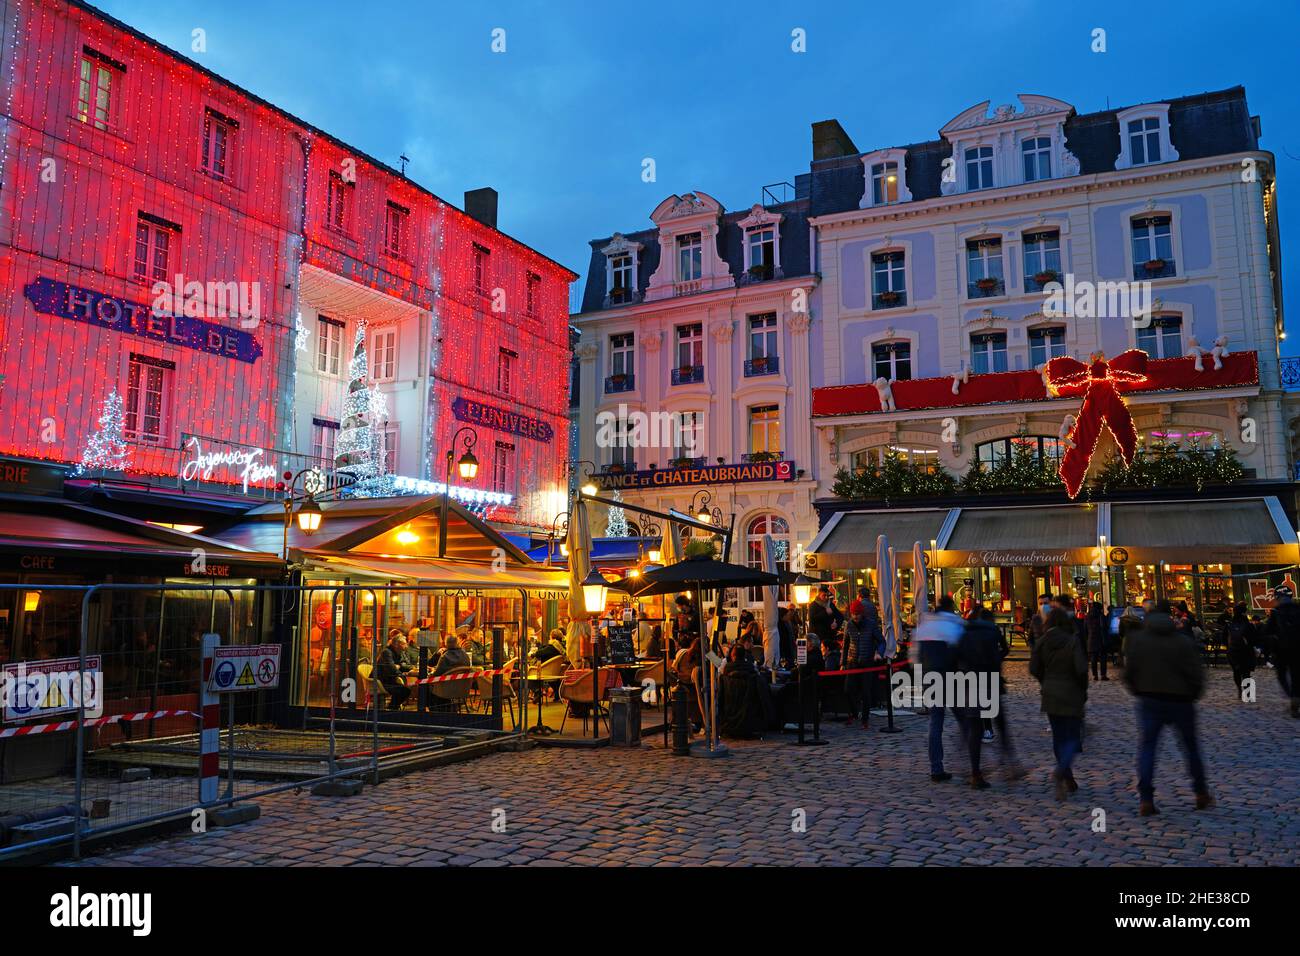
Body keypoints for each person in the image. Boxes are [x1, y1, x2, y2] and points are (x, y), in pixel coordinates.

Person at [1123, 599, 1213, 815]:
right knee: (1190, 748)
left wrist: (1139, 690)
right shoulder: (1182, 641)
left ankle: (1146, 798)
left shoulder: (1138, 640)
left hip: (1150, 700)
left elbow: (1128, 673)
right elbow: (1196, 674)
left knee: (1148, 748)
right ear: (1170, 616)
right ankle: (1200, 792)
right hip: (1181, 700)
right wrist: (1192, 694)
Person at [954, 606, 1021, 788]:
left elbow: (956, 655)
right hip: (990, 680)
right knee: (1000, 724)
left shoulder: (965, 632)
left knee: (975, 728)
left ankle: (976, 772)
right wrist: (997, 660)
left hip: (971, 680)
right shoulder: (993, 631)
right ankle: (1011, 766)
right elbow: (1005, 649)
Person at [1029, 607, 1088, 801]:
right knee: (1073, 737)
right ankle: (1062, 770)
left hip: (1051, 692)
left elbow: (1034, 668)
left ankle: (1068, 777)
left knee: (1058, 736)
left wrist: (1045, 681)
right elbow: (1081, 670)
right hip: (1071, 693)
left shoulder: (1042, 641)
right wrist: (1083, 689)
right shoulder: (1072, 641)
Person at [914, 595, 965, 782]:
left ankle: (936, 767)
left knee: (935, 724)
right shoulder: (954, 623)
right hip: (951, 677)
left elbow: (917, 656)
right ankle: (969, 763)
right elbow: (962, 652)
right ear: (951, 607)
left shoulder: (925, 625)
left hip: (930, 678)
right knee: (965, 720)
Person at [842, 596, 883, 729]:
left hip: (867, 662)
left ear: (862, 614)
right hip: (852, 662)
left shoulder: (871, 624)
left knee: (866, 692)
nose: (855, 617)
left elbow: (882, 641)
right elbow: (846, 644)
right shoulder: (849, 625)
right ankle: (854, 713)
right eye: (854, 614)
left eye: (858, 614)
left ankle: (865, 718)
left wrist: (878, 653)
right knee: (848, 690)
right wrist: (843, 662)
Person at [1262, 585, 1300, 718]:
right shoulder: (1298, 609)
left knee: (1281, 675)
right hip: (1297, 649)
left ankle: (1292, 697)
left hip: (1281, 650)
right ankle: (1296, 697)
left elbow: (1266, 631)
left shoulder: (1277, 612)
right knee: (1296, 676)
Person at [1225, 603, 1256, 698]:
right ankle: (1248, 693)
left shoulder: (1230, 624)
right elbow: (1253, 639)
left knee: (1236, 671)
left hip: (1233, 651)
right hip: (1246, 651)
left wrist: (1229, 647)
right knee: (1246, 672)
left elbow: (1225, 638)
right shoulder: (1248, 625)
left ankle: (1239, 689)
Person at [375, 633, 412, 709]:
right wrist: (402, 673)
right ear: (396, 644)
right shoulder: (387, 652)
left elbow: (401, 665)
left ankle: (392, 708)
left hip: (388, 680)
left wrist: (411, 669)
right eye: (404, 644)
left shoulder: (397, 653)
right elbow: (392, 669)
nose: (406, 646)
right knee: (403, 691)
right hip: (380, 681)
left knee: (405, 690)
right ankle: (392, 708)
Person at [1086, 601, 1108, 681]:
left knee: (1093, 659)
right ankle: (1103, 675)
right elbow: (1105, 627)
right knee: (1103, 658)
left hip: (1091, 639)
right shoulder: (1101, 616)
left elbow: (1085, 629)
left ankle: (1095, 675)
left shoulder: (1087, 616)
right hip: (1101, 639)